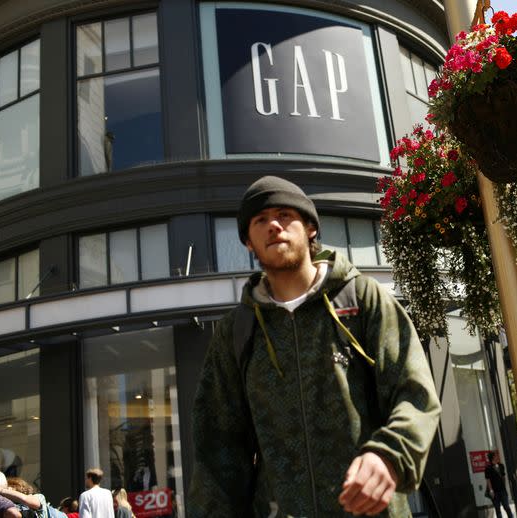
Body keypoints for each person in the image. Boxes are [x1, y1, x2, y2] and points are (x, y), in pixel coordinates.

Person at [187, 176, 441, 516]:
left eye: (284, 215)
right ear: (248, 242)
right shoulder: (237, 330)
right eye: (260, 221)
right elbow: (217, 447)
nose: (274, 226)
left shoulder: (362, 299)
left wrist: (389, 455)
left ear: (309, 227)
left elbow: (415, 392)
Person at [484, 451, 513, 518]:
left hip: (502, 490)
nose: (497, 457)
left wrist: (504, 487)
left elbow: (503, 477)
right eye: (496, 455)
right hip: (494, 492)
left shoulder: (501, 466)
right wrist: (491, 490)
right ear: (493, 457)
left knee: (506, 507)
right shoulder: (488, 468)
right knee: (498, 509)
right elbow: (488, 480)